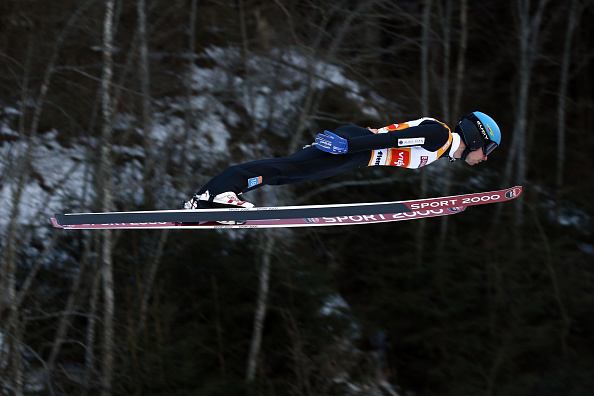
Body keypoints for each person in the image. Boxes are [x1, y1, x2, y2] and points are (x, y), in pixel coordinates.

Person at [182, 111, 501, 216]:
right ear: (476, 137)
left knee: (285, 174)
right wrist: (347, 145)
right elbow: (390, 140)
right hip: (356, 147)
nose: (484, 157)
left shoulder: (440, 143)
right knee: (283, 171)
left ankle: (206, 200)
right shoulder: (439, 135)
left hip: (356, 152)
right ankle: (220, 195)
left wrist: (350, 147)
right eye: (487, 148)